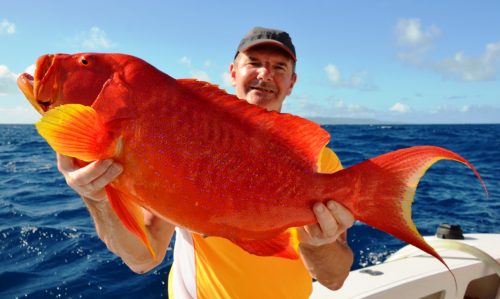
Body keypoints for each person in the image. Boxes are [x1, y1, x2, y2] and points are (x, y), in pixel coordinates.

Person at [57, 27, 355, 298]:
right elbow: (143, 257)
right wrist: (95, 198)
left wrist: (319, 244)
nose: (265, 74)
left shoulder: (319, 161)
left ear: (292, 83)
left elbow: (334, 278)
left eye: (279, 67)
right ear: (233, 71)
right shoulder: (187, 135)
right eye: (253, 62)